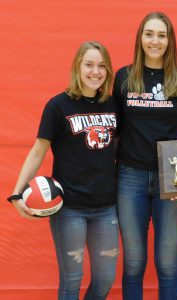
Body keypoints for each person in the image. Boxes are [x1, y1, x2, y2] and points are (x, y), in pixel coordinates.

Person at [7, 41, 119, 299]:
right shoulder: (58, 106)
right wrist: (16, 194)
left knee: (105, 279)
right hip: (69, 208)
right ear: (77, 67)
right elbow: (38, 151)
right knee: (72, 280)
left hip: (106, 207)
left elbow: (117, 147)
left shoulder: (112, 105)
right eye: (89, 64)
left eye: (102, 66)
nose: (96, 71)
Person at [112, 12, 177, 300]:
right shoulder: (124, 77)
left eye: (161, 35)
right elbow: (113, 127)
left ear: (169, 40)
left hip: (172, 181)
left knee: (166, 264)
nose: (155, 40)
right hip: (130, 177)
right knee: (134, 263)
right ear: (140, 38)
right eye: (149, 34)